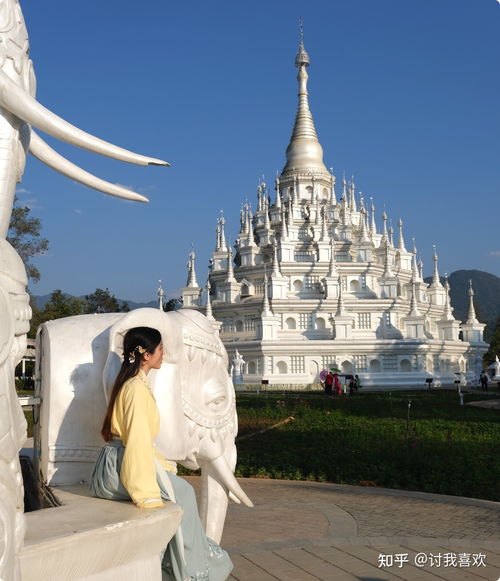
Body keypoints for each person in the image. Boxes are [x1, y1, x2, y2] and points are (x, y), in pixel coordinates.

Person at [89, 326, 233, 581]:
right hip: (126, 464)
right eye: (160, 349)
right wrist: (146, 495)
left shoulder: (134, 384)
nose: (163, 354)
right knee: (185, 493)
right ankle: (194, 572)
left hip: (122, 459)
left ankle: (188, 566)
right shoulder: (135, 389)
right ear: (146, 354)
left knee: (182, 491)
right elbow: (136, 443)